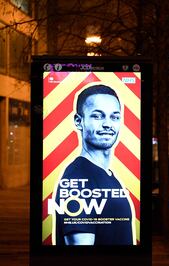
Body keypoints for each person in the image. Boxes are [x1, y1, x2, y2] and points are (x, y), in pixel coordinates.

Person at [54, 84, 136, 245]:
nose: (107, 124)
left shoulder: (108, 175)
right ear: (79, 121)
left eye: (114, 117)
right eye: (98, 116)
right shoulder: (77, 181)